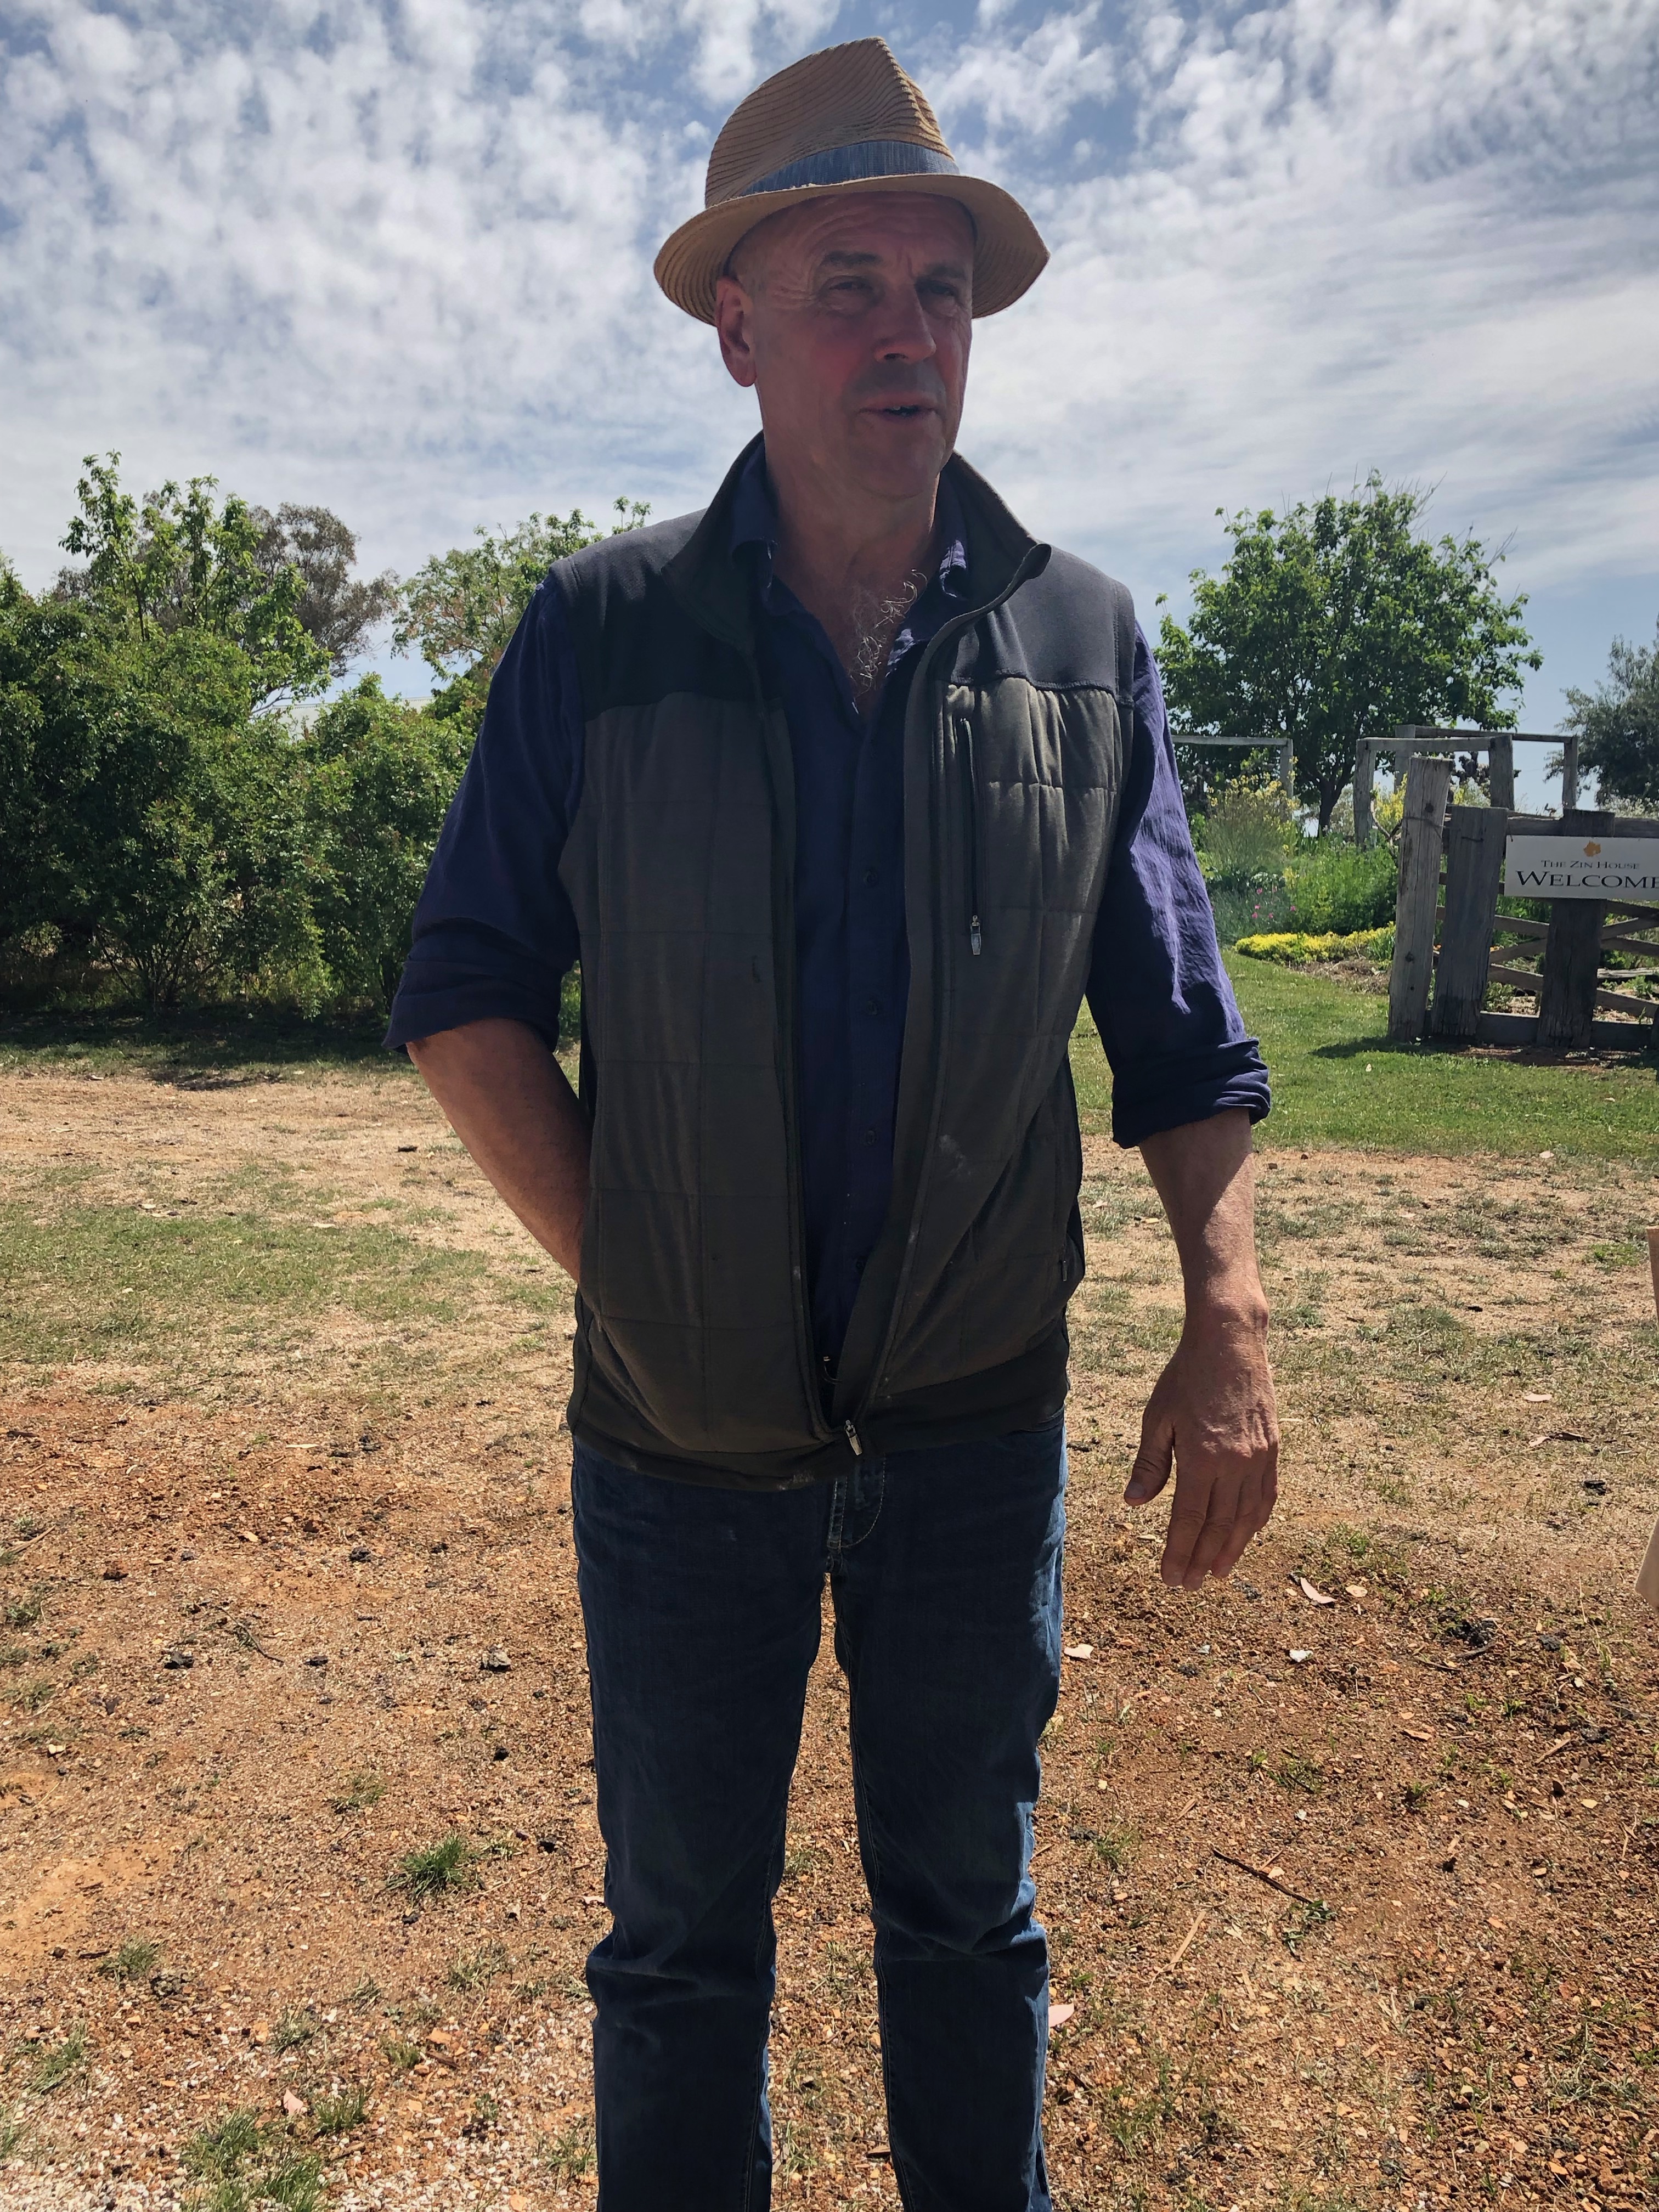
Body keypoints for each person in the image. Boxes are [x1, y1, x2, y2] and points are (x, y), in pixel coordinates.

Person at [388, 35, 1278, 2212]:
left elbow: (1178, 1028)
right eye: (851, 285)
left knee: (970, 1927)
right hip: (675, 1450)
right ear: (738, 330)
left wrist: (1230, 1312)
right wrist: (640, 1274)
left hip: (975, 1436)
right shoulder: (602, 635)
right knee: (681, 1952)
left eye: (940, 289)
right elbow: (463, 991)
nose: (909, 334)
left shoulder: (1085, 642)